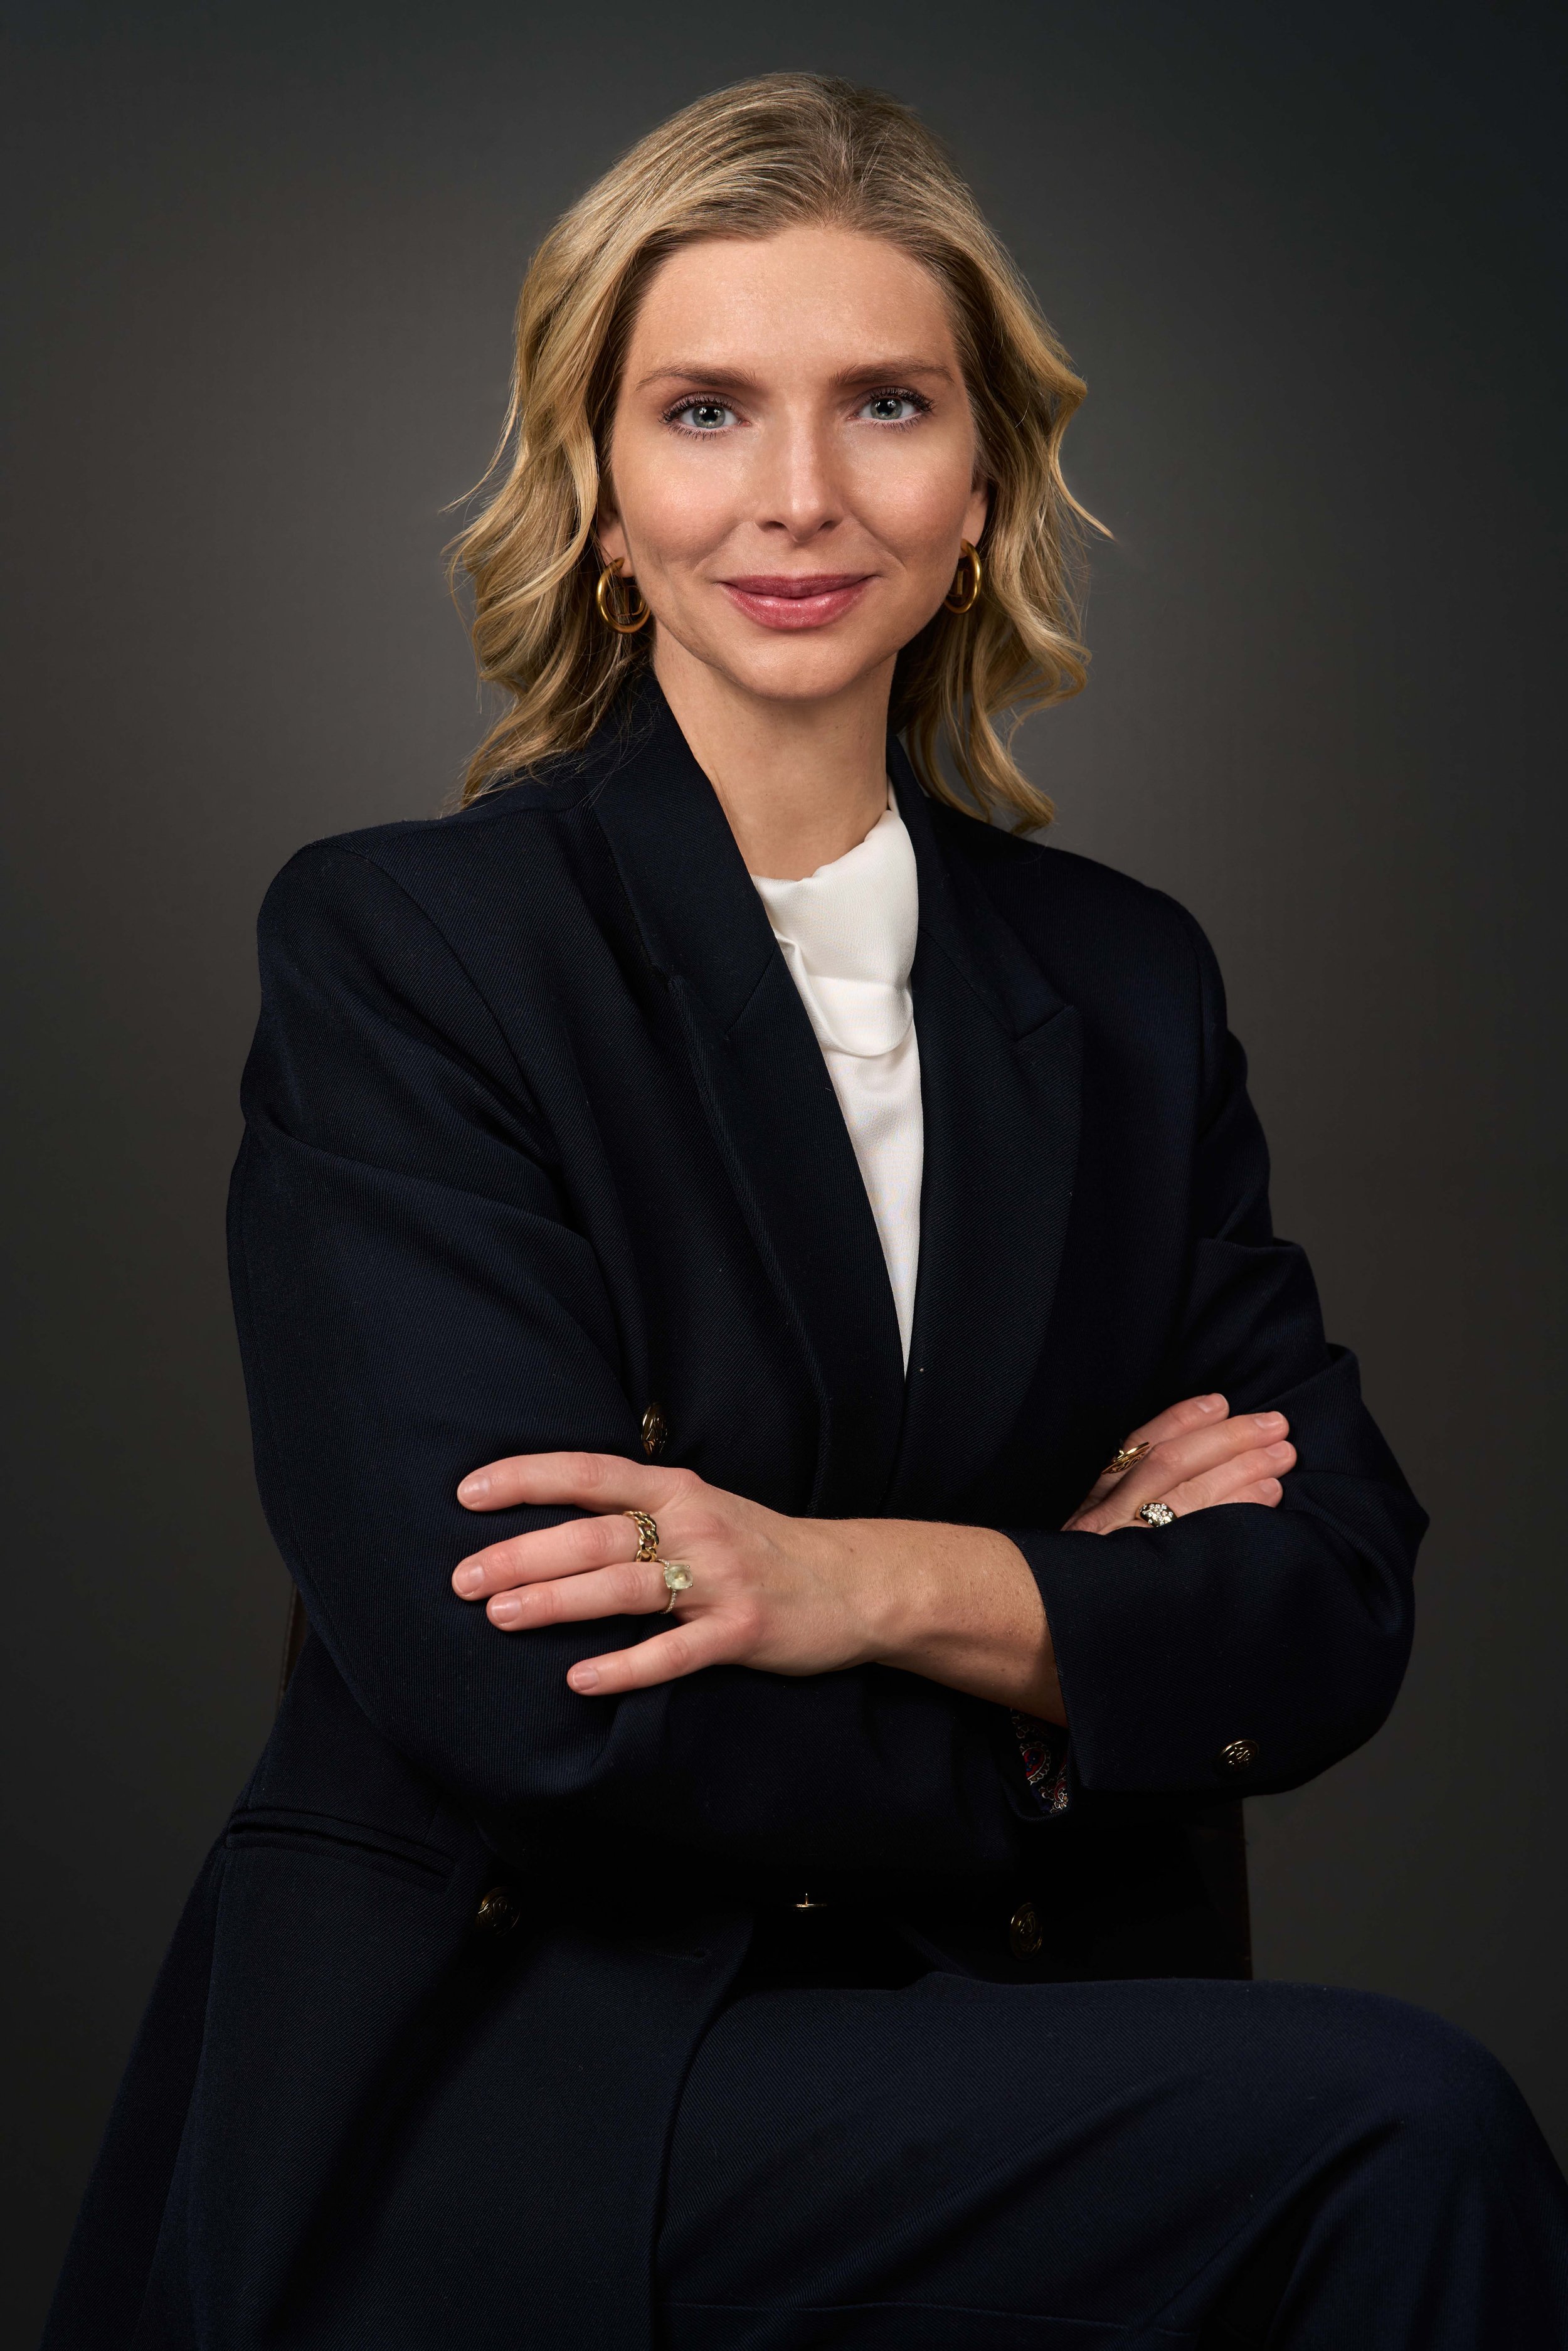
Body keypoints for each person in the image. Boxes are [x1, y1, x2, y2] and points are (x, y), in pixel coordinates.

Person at [45, 71, 1568, 2351]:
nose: (797, 493)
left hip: (995, 2030)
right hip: (542, 2068)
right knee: (1396, 2128)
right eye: (704, 410)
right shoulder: (413, 948)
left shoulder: (1122, 983)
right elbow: (532, 1686)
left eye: (884, 403)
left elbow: (1328, 1598)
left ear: (982, 486)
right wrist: (1069, 1672)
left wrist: (841, 1581)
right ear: (597, 492)